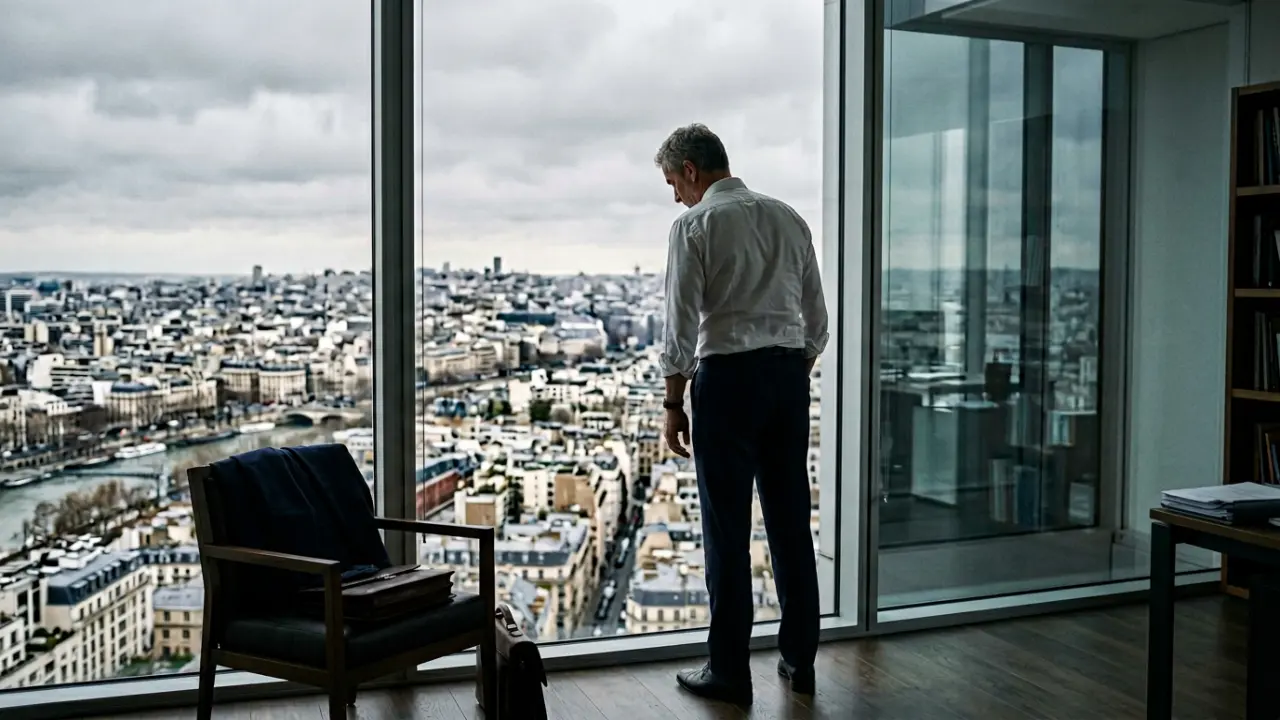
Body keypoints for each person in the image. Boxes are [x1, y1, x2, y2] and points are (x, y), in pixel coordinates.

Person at [654, 123, 827, 706]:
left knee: (727, 530)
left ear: (691, 171)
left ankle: (729, 669)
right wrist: (786, 372)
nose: (675, 197)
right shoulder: (788, 218)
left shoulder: (694, 225)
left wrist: (673, 403)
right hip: (787, 378)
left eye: (673, 184)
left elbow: (680, 327)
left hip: (727, 381)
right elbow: (816, 321)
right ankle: (800, 659)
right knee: (790, 521)